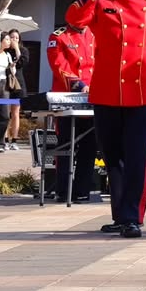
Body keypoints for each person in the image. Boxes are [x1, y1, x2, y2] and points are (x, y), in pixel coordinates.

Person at [66, 0, 146, 238]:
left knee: (137, 157)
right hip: (107, 91)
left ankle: (132, 217)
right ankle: (119, 214)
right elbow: (75, 20)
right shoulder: (101, 2)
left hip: (142, 92)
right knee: (113, 156)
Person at [46, 25, 96, 202]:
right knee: (65, 146)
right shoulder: (59, 37)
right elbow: (59, 66)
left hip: (93, 98)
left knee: (89, 147)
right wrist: (80, 85)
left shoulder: (95, 34)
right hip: (68, 98)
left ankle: (82, 191)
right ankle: (63, 190)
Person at [4, 31, 28, 149]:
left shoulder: (23, 51)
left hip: (18, 87)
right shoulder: (4, 51)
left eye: (16, 38)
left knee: (15, 113)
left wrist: (17, 49)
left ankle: (14, 140)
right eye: (12, 37)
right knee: (4, 113)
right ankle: (4, 139)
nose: (14, 39)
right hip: (6, 87)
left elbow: (22, 63)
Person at [0, 33, 11, 154]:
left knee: (5, 114)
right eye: (6, 39)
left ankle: (1, 142)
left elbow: (12, 72)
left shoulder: (7, 55)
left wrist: (12, 67)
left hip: (5, 85)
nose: (9, 41)